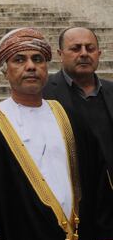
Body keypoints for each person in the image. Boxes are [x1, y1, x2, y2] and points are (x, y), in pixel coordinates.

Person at [0, 28, 113, 240]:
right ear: (5, 70)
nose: (30, 67)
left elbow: (100, 182)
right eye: (20, 60)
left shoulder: (68, 114)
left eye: (37, 59)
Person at [44, 27, 113, 171]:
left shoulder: (110, 90)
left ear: (99, 54)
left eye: (90, 48)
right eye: (75, 49)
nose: (84, 54)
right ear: (60, 55)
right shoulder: (43, 93)